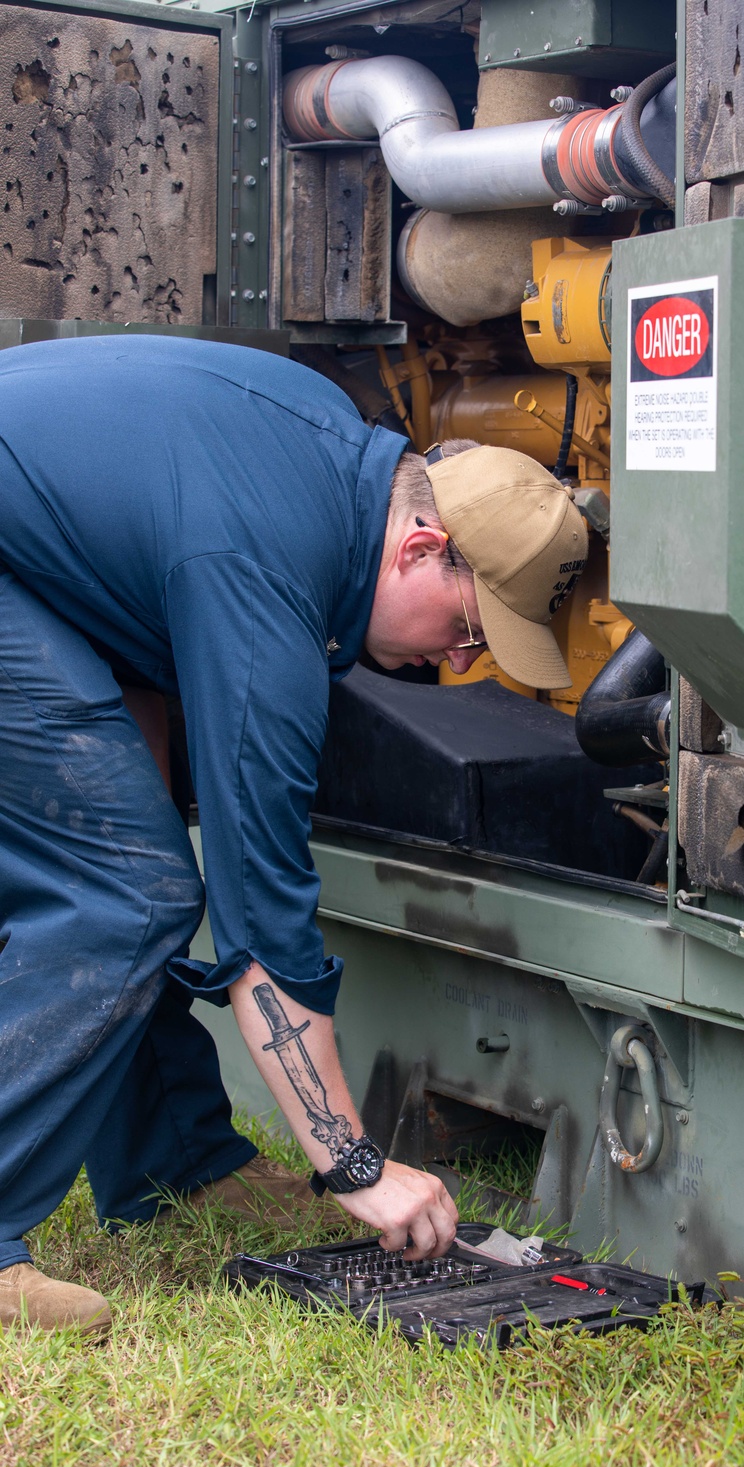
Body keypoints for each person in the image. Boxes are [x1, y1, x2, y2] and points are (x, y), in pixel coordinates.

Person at [0, 335, 588, 1334]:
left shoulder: (323, 460)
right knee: (129, 887)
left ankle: (174, 1163)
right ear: (417, 549)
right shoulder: (270, 578)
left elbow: (112, 600)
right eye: (471, 622)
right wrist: (353, 1163)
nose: (461, 657)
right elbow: (261, 912)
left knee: (129, 862)